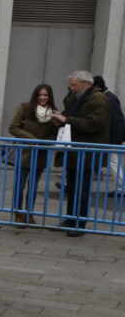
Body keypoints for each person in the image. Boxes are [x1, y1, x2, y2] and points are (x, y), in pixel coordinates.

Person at [52, 70, 110, 236]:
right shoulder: (73, 97)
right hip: (73, 149)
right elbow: (69, 115)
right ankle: (71, 218)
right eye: (70, 84)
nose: (71, 87)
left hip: (87, 151)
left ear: (86, 84)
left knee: (82, 188)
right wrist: (59, 117)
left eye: (74, 84)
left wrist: (67, 120)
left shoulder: (98, 98)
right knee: (72, 187)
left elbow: (95, 123)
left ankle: (79, 223)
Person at [7, 83, 60, 223]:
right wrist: (32, 139)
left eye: (46, 95)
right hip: (24, 152)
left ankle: (29, 212)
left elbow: (56, 134)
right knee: (20, 184)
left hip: (41, 154)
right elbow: (13, 128)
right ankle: (18, 213)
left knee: (33, 185)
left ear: (50, 97)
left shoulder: (54, 112)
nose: (43, 98)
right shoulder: (25, 108)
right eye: (40, 95)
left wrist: (47, 140)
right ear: (35, 95)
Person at [94, 75, 125, 192]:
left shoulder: (109, 99)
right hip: (110, 137)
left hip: (111, 138)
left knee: (113, 162)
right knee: (113, 162)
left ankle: (121, 187)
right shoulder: (109, 97)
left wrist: (119, 138)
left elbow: (117, 120)